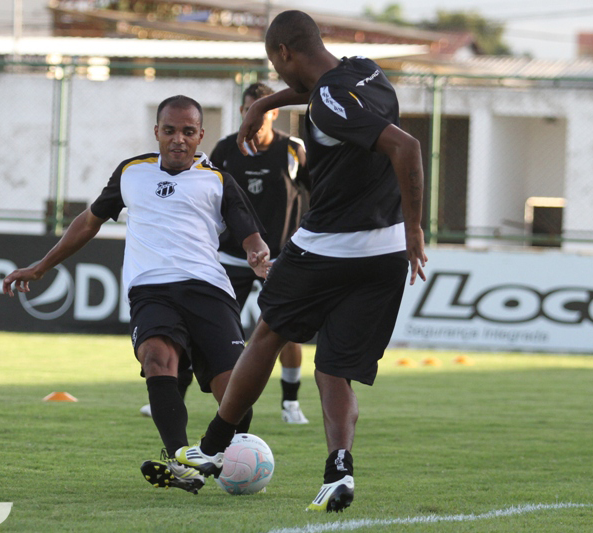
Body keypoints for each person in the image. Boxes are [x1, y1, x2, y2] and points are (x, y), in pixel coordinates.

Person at [175, 11, 428, 512]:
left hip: (328, 246)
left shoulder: (329, 102)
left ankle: (209, 448)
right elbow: (324, 92)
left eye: (276, 64)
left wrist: (418, 225)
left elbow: (407, 146)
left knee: (268, 333)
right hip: (383, 253)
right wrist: (267, 101)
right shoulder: (365, 71)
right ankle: (339, 471)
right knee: (333, 368)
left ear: (284, 53)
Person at [2, 95, 271, 495]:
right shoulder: (132, 172)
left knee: (234, 397)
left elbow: (249, 231)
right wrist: (42, 266)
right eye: (169, 130)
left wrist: (256, 252)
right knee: (157, 358)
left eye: (187, 132)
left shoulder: (217, 179)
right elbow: (87, 222)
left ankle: (210, 459)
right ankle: (181, 459)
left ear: (200, 135)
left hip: (209, 290)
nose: (178, 139)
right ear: (157, 132)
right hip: (151, 289)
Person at [139, 82, 312, 424]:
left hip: (280, 259)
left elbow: (317, 193)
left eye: (261, 110)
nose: (255, 117)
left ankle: (290, 404)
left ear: (274, 113)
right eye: (249, 110)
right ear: (242, 112)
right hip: (231, 257)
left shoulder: (293, 149)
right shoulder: (225, 149)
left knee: (285, 329)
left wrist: (304, 237)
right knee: (197, 327)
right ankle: (176, 395)